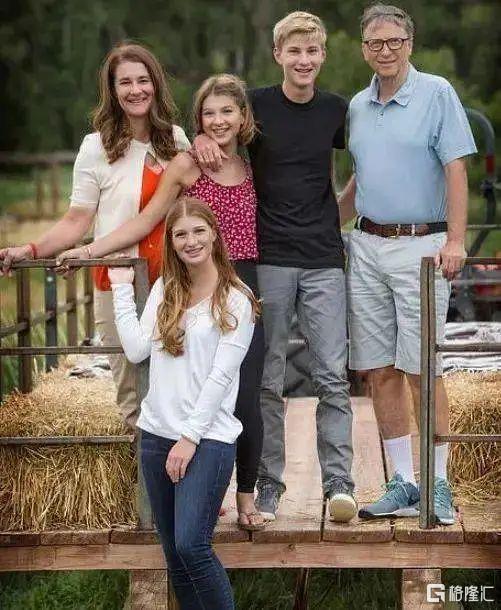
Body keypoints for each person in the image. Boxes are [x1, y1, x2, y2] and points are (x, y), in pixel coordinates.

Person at [57, 74, 265, 530]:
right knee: (193, 383)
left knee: (247, 393)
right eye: (208, 113)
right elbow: (148, 218)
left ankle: (246, 496)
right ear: (198, 121)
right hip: (193, 280)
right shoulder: (188, 163)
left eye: (227, 111)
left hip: (242, 280)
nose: (218, 120)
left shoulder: (252, 165)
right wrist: (90, 251)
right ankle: (198, 490)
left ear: (243, 117)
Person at [192, 12, 356, 522]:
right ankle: (268, 481)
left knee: (332, 375)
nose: (304, 60)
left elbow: (370, 161)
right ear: (278, 55)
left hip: (325, 259)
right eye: (294, 51)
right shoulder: (257, 106)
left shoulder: (337, 110)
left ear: (323, 56)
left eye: (312, 51)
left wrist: (338, 214)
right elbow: (215, 122)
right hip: (269, 260)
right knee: (268, 379)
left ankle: (339, 483)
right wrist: (197, 138)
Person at [0, 42, 190, 429]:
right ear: (113, 90)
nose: (136, 90)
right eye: (125, 82)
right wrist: (31, 249)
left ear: (156, 84)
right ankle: (139, 470)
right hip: (117, 282)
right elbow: (77, 220)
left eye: (143, 80)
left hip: (173, 280)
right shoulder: (96, 147)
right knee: (132, 394)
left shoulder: (176, 141)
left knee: (178, 385)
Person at [338, 4, 477, 524]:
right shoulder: (357, 106)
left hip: (423, 246)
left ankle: (438, 484)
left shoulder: (436, 93)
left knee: (422, 367)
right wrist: (324, 224)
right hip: (366, 245)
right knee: (378, 369)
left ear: (410, 44)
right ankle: (403, 481)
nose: (386, 51)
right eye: (375, 43)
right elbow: (362, 178)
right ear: (363, 50)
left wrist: (456, 240)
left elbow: (456, 169)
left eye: (394, 41)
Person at [109, 197, 256, 610]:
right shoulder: (165, 289)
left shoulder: (237, 299)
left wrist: (189, 438)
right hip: (156, 434)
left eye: (198, 231)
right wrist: (121, 289)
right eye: (180, 234)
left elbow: (220, 378)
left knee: (192, 545)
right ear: (171, 242)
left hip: (207, 439)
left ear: (214, 234)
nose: (191, 241)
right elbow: (137, 349)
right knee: (174, 553)